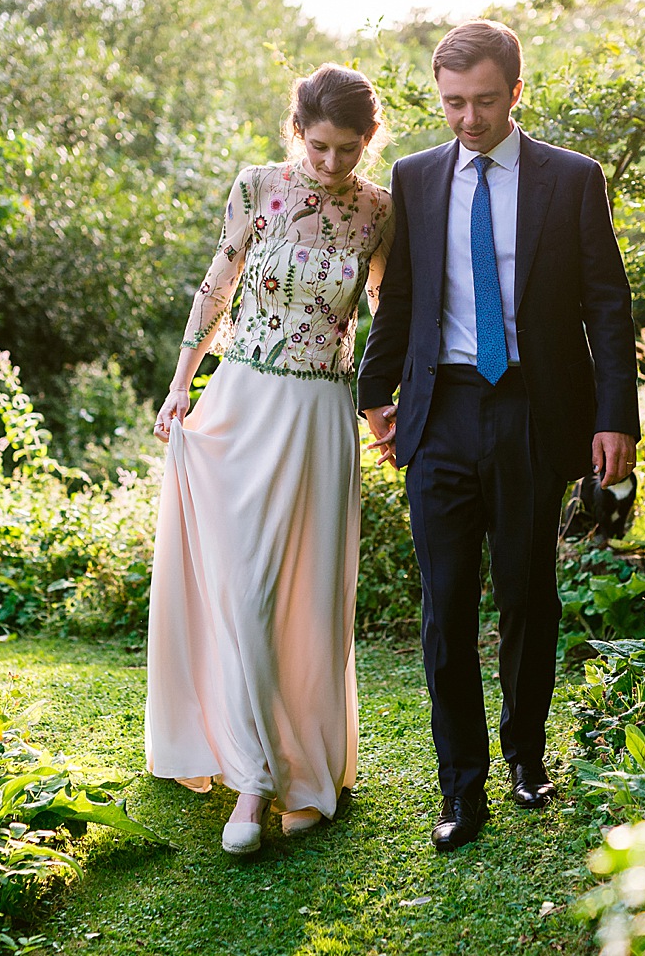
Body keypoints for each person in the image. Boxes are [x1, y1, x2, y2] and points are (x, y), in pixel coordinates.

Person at [358, 20, 639, 853]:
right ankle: (461, 788)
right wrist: (376, 391)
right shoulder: (414, 178)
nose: (468, 119)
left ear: (516, 92)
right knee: (444, 606)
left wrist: (615, 415)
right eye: (453, 103)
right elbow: (399, 296)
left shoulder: (572, 179)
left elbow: (608, 305)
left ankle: (525, 757)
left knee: (526, 594)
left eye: (483, 101)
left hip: (531, 410)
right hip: (439, 413)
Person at [145, 64, 393, 855]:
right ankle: (253, 776)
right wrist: (181, 385)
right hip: (242, 400)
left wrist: (387, 411)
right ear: (297, 132)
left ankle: (305, 769)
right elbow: (215, 289)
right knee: (244, 589)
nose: (330, 164)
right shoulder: (257, 188)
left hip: (321, 410)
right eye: (318, 146)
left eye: (347, 150)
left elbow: (389, 323)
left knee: (309, 598)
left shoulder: (381, 213)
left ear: (367, 142)